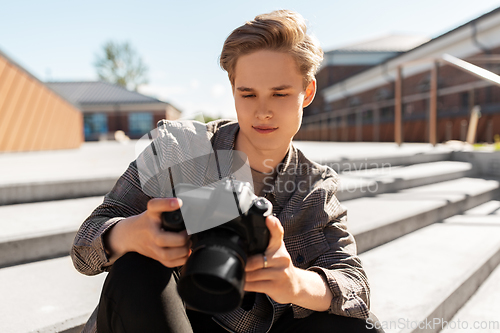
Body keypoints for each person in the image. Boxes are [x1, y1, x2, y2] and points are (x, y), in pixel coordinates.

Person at [71, 9, 384, 333]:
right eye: (248, 94)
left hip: (256, 327)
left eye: (279, 93)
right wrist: (133, 233)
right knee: (136, 270)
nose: (263, 111)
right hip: (169, 317)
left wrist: (294, 283)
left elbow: (355, 290)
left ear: (306, 93)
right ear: (232, 90)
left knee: (361, 327)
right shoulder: (177, 147)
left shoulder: (313, 188)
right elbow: (84, 249)